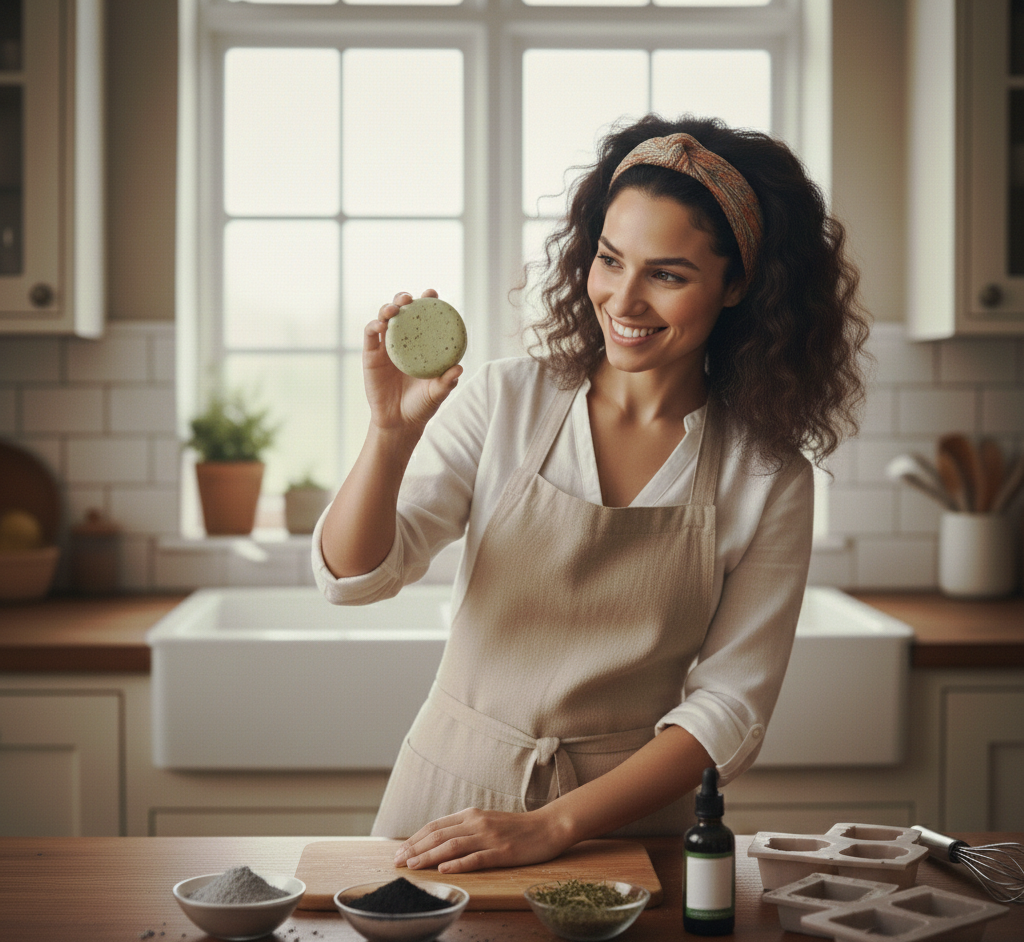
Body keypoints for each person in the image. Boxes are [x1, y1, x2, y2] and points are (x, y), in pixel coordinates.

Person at [313, 114, 868, 876]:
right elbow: (356, 578)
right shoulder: (505, 400)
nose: (624, 300)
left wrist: (554, 825)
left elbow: (728, 708)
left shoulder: (767, 475)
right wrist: (388, 435)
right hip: (445, 804)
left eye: (667, 275)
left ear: (737, 284)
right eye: (610, 260)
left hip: (628, 826)